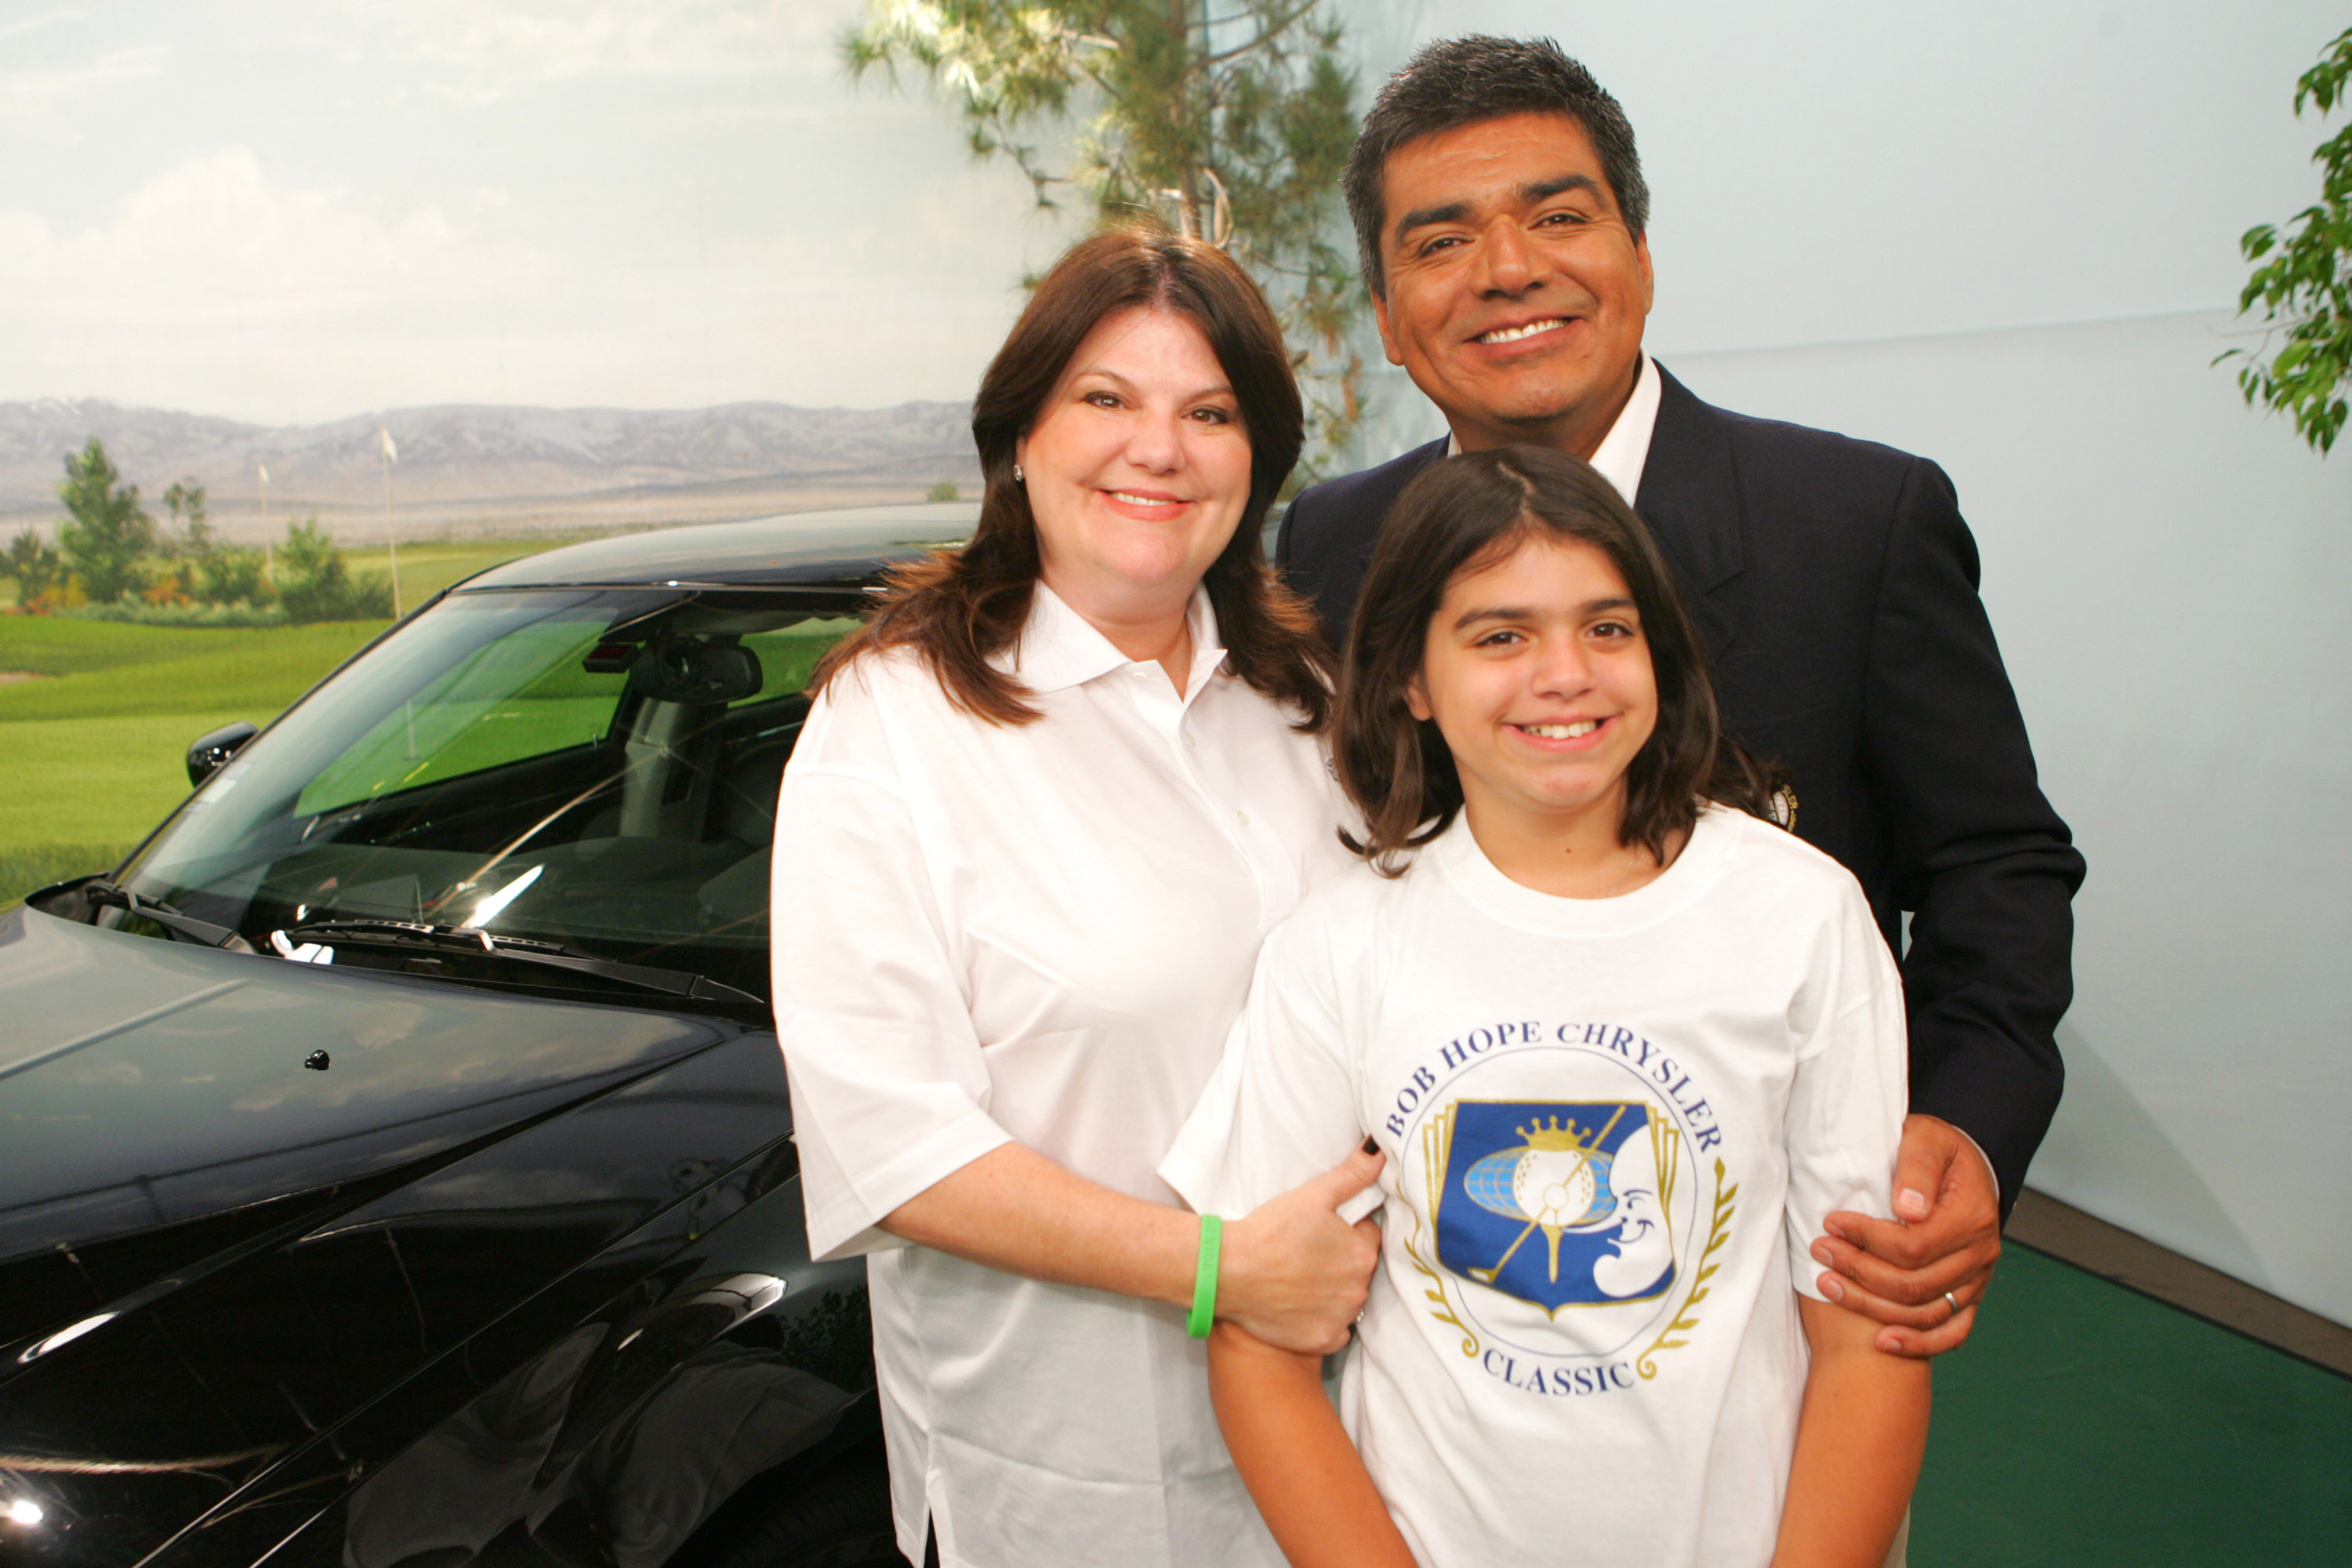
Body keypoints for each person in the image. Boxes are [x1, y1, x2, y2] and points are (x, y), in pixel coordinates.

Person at [1279, 35, 2085, 1355]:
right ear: (1385, 313)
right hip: (1431, 1293)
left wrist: (1965, 1130)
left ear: (1641, 258)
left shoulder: (1858, 522)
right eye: (1440, 242)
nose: (1508, 269)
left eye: (1557, 215)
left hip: (1792, 1280)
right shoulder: (1332, 546)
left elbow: (1997, 862)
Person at [1165, 445, 1930, 1568]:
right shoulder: (1340, 949)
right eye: (1499, 635)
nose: (1564, 673)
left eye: (1607, 628)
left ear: (1659, 656)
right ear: (1413, 683)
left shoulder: (1802, 917)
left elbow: (1869, 1335)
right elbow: (1255, 1342)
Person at [770, 227, 1383, 1568]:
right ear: (1020, 438)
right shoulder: (893, 723)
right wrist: (1220, 1269)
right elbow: (893, 1141)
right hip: (1079, 1475)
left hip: (1361, 1441)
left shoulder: (1311, 706)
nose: (1157, 450)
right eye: (1107, 399)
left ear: (1256, 462)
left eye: (1209, 414)